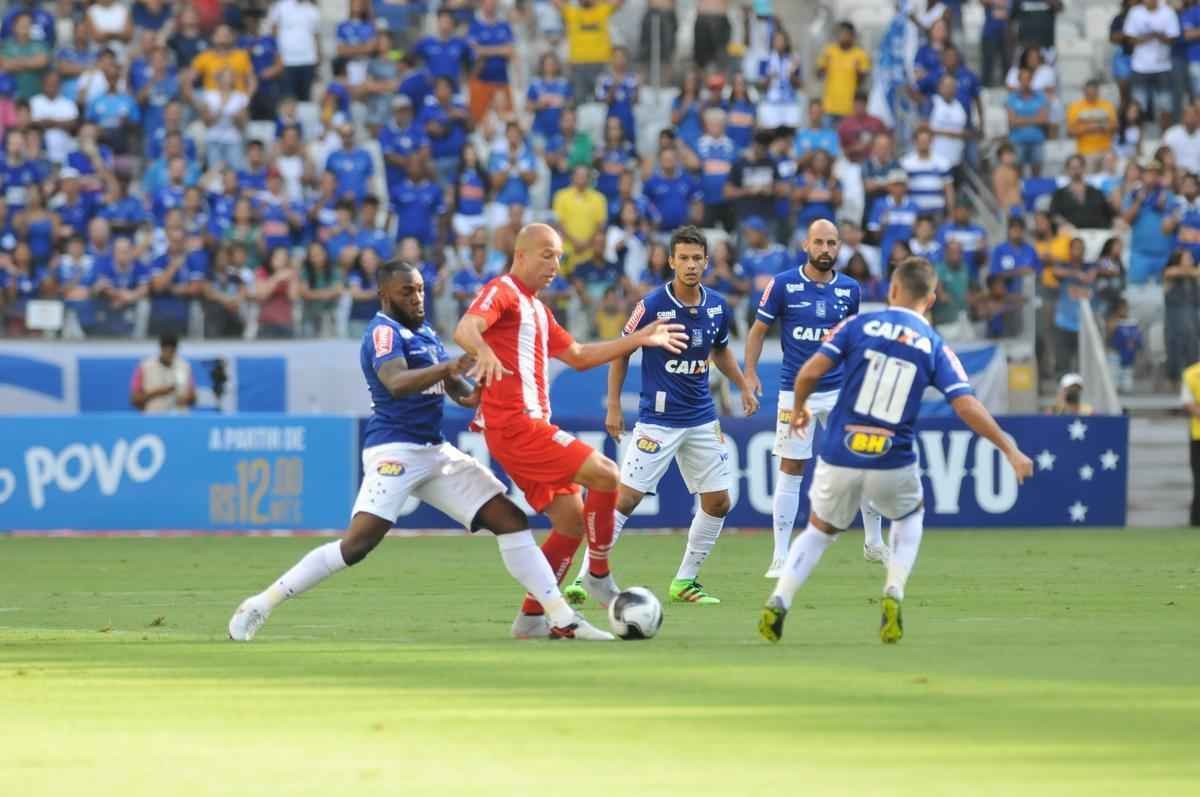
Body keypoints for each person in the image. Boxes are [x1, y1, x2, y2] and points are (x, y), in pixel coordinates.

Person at [228, 261, 613, 642]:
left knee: (510, 519)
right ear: (384, 295)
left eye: (420, 290)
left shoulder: (426, 333)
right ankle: (262, 602)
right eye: (407, 292)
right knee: (357, 545)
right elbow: (396, 382)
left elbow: (459, 393)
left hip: (434, 451)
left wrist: (481, 390)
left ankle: (560, 617)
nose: (417, 298)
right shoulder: (383, 332)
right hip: (395, 450)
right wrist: (448, 368)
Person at [759, 256, 1034, 644]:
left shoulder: (856, 326)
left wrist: (801, 408)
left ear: (892, 289)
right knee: (910, 515)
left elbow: (809, 372)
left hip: (841, 450)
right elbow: (966, 404)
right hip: (892, 456)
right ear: (931, 299)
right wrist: (1009, 448)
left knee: (819, 530)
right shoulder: (933, 344)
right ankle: (893, 589)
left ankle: (780, 599)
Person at [453, 224, 690, 638]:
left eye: (559, 257)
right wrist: (484, 350)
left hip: (527, 427)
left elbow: (579, 356)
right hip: (515, 425)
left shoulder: (539, 311)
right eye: (546, 255)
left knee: (571, 523)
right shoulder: (503, 290)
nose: (555, 265)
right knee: (606, 474)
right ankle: (598, 574)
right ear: (521, 255)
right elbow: (465, 329)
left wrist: (640, 338)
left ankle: (531, 619)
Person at [562, 226, 758, 606]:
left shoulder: (717, 306)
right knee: (626, 499)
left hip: (701, 418)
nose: (690, 265)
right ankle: (585, 577)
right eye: (683, 258)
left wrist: (743, 385)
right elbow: (622, 351)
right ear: (671, 261)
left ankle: (685, 581)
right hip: (658, 421)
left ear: (706, 262)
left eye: (697, 258)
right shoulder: (651, 306)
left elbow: (720, 350)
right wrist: (614, 405)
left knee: (719, 502)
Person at [742, 219, 886, 576]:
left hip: (839, 391)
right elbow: (758, 331)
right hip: (797, 393)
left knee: (862, 461)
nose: (825, 249)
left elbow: (851, 339)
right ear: (806, 245)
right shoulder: (783, 284)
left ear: (839, 247)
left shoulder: (850, 289)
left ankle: (874, 542)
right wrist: (749, 373)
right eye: (819, 242)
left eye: (831, 243)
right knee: (792, 468)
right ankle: (780, 556)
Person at [1124, 0, 1180, 129]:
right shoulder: (1135, 12)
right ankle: (1138, 138)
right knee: (1138, 107)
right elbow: (1129, 39)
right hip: (1140, 67)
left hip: (1163, 66)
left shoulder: (1168, 12)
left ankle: (1165, 137)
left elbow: (1172, 38)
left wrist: (1156, 36)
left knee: (1166, 106)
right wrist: (1150, 36)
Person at [130, 333, 195, 413]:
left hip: (179, 416)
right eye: (166, 350)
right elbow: (135, 399)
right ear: (161, 348)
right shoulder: (145, 367)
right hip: (153, 416)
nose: (169, 354)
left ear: (176, 349)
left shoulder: (184, 366)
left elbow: (193, 397)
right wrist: (158, 393)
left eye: (172, 350)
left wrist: (185, 399)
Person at [1067, 79, 1118, 160]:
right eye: (1089, 93)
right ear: (1084, 92)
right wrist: (1087, 128)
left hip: (1105, 150)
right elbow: (1070, 131)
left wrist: (1100, 127)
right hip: (1085, 151)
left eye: (1094, 93)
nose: (1091, 96)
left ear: (1098, 92)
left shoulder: (1107, 105)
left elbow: (1115, 126)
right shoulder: (1075, 107)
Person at [1180, 357, 1200, 524]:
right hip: (1197, 434)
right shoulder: (1191, 374)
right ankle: (1196, 518)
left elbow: (1187, 403)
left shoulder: (1191, 373)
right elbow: (1187, 402)